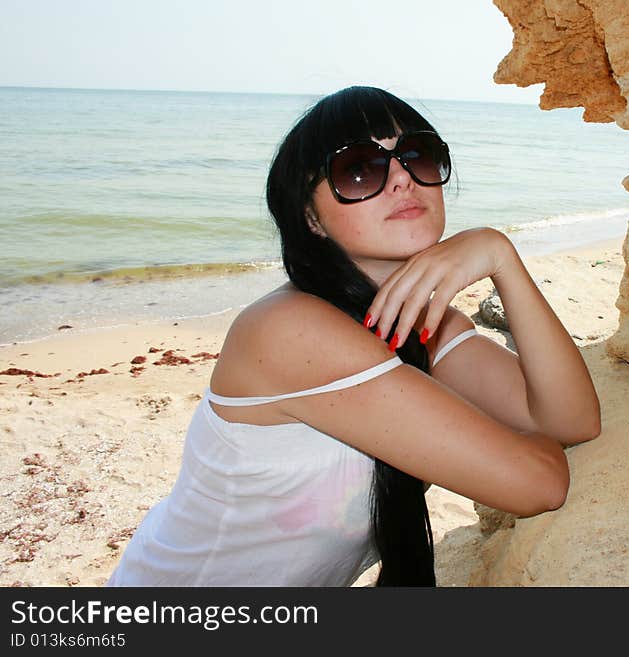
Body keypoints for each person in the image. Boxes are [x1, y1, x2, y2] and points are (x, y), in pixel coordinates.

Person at [106, 86, 601, 587]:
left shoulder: (424, 323)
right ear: (311, 217)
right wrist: (509, 442)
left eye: (417, 155)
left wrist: (501, 257)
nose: (403, 179)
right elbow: (537, 482)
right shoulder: (290, 329)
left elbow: (571, 421)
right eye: (359, 169)